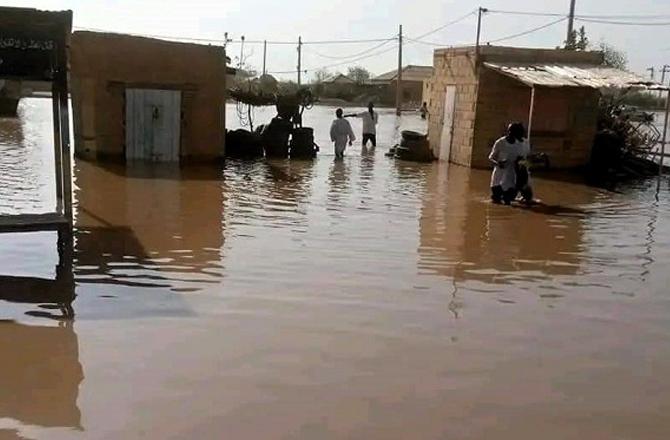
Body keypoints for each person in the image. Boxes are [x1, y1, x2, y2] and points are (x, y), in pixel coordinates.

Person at [489, 122, 532, 205]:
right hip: (500, 175)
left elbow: (527, 159)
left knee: (510, 199)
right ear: (509, 132)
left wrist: (524, 163)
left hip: (515, 176)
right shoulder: (500, 142)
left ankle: (516, 194)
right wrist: (498, 163)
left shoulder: (524, 143)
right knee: (496, 198)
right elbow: (491, 158)